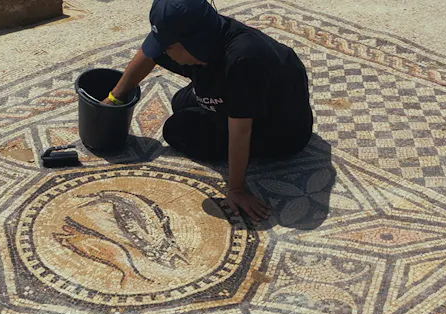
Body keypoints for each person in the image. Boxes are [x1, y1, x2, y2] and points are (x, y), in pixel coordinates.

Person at [103, 0, 314, 222]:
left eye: (167, 46)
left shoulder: (244, 60)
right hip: (245, 93)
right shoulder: (202, 33)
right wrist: (114, 99)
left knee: (178, 129)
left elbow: (241, 130)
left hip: (281, 129)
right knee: (180, 102)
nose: (163, 52)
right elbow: (148, 54)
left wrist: (236, 188)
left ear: (192, 44)